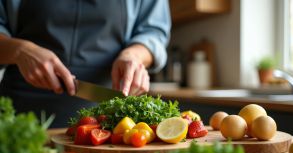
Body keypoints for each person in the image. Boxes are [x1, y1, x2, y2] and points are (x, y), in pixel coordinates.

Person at [0, 0, 171, 127]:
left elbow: (154, 31)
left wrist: (133, 55)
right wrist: (20, 50)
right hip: (21, 115)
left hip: (108, 117)